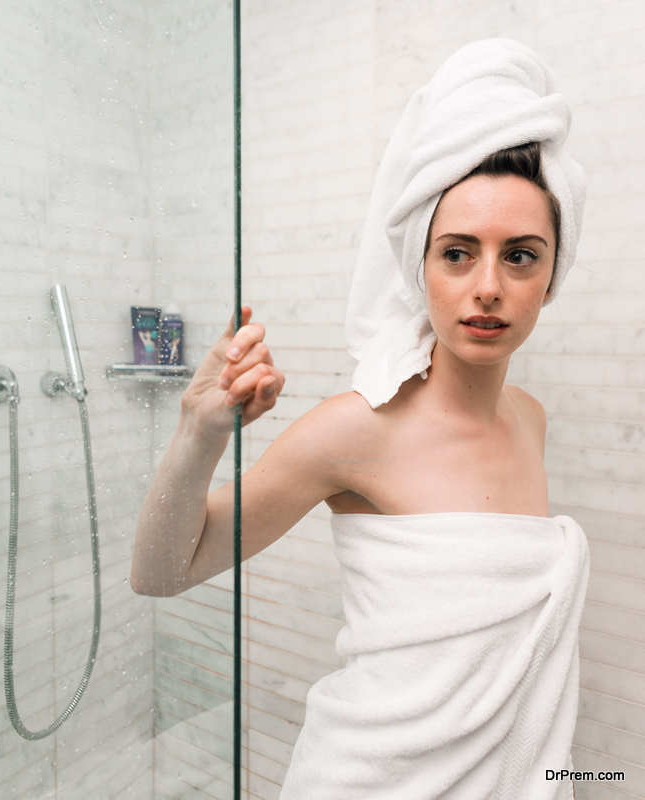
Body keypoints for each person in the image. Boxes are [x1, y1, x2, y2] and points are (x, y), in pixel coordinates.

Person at [131, 38, 589, 800]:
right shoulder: (356, 430)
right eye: (456, 253)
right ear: (420, 266)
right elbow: (160, 573)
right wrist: (197, 434)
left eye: (520, 256)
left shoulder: (532, 419)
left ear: (550, 276)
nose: (486, 287)